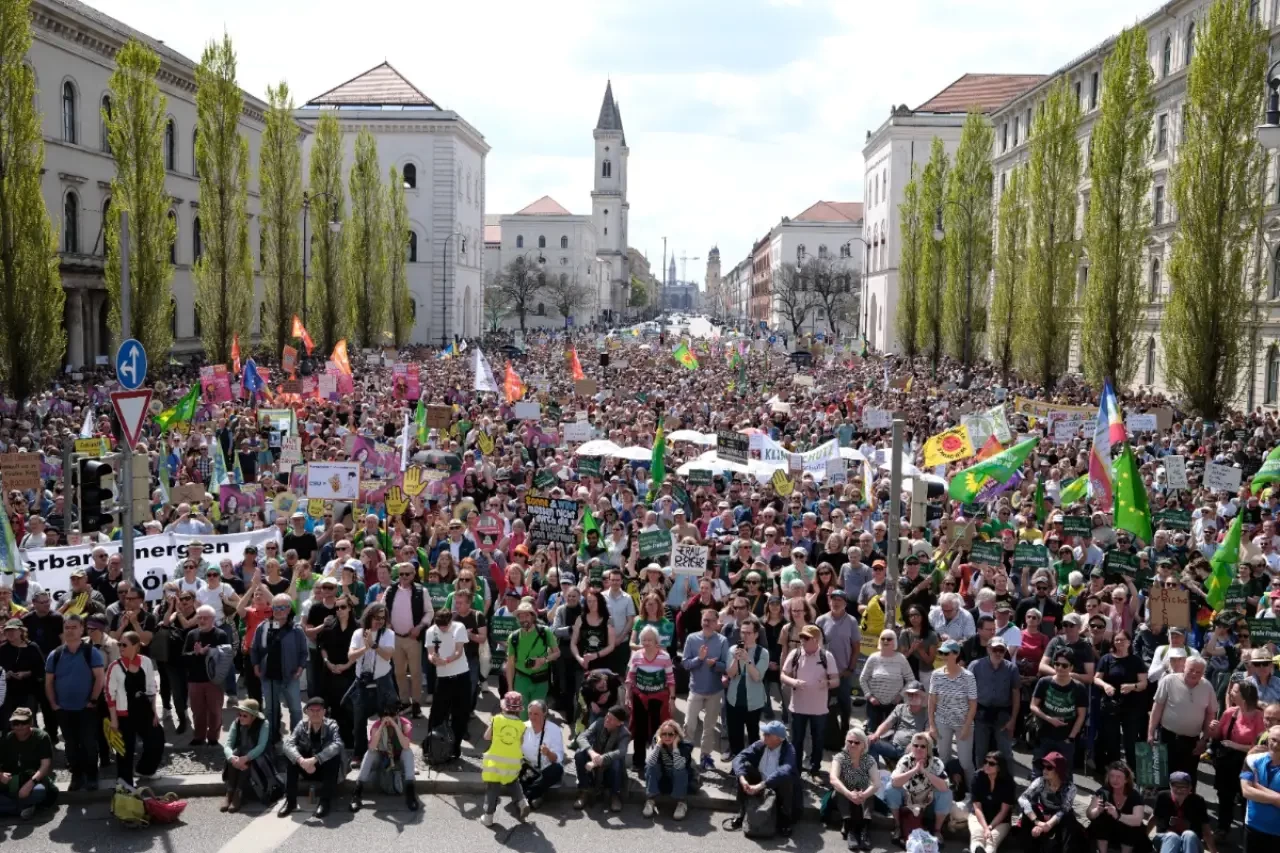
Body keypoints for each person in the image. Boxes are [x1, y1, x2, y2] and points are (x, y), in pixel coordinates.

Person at [43, 613, 105, 791]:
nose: (70, 631)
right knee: (70, 745)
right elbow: (48, 682)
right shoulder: (55, 655)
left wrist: (93, 700)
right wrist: (54, 704)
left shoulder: (90, 651)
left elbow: (99, 678)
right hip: (63, 709)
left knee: (89, 744)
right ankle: (77, 776)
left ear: (81, 629)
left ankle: (92, 776)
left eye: (74, 627)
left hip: (86, 708)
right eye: (67, 627)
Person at [104, 631, 164, 788]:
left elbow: (151, 689)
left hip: (144, 710)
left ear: (136, 646)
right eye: (119, 644)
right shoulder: (114, 667)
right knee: (125, 750)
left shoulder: (146, 662)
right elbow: (109, 694)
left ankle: (145, 769)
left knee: (156, 739)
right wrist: (114, 719)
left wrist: (154, 713)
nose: (121, 647)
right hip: (124, 714)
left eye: (124, 644)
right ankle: (124, 782)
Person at [782, 623, 838, 776]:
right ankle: (796, 770)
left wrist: (826, 683)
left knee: (818, 741)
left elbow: (836, 680)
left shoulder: (827, 656)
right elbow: (783, 674)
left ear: (816, 639)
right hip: (798, 707)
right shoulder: (795, 654)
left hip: (819, 709)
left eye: (806, 638)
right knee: (796, 741)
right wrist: (793, 682)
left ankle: (815, 769)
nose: (802, 640)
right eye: (801, 637)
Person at [729, 719, 801, 838]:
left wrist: (762, 785)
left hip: (775, 786)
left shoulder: (789, 749)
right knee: (745, 767)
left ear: (778, 738)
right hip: (759, 782)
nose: (764, 736)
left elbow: (785, 770)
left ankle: (785, 819)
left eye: (768, 734)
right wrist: (742, 778)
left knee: (786, 779)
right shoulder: (760, 744)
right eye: (764, 733)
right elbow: (739, 758)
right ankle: (742, 811)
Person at [1149, 656, 1218, 780]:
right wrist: (1150, 733)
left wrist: (1204, 740)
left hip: (1192, 741)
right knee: (1164, 776)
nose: (1194, 674)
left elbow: (1210, 714)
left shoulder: (1207, 687)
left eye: (1199, 672)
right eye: (1191, 669)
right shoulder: (1169, 680)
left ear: (1203, 673)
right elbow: (1157, 708)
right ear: (1184, 667)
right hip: (1167, 736)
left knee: (1188, 778)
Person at [252, 593, 308, 745]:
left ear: (289, 609)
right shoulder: (263, 627)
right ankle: (271, 740)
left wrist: (301, 668)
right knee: (270, 710)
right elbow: (255, 649)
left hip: (290, 677)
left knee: (296, 710)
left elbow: (304, 652)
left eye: (283, 607)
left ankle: (296, 740)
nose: (279, 610)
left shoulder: (296, 630)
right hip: (268, 677)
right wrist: (256, 665)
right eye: (276, 607)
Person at [346, 602, 398, 762]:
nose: (379, 621)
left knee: (387, 720)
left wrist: (374, 645)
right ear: (368, 617)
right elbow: (351, 656)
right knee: (359, 722)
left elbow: (388, 655)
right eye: (376, 617)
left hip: (382, 682)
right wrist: (366, 647)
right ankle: (358, 754)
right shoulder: (358, 633)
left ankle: (389, 754)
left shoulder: (389, 634)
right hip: (362, 682)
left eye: (382, 618)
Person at [278, 697, 344, 819]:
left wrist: (315, 759)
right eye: (311, 710)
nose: (315, 713)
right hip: (306, 767)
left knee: (333, 756)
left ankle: (325, 802)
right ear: (307, 712)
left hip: (323, 769)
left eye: (318, 710)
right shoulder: (301, 725)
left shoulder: (331, 725)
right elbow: (288, 744)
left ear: (324, 712)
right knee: (291, 754)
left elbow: (338, 744)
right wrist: (301, 761)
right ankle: (291, 801)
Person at [1214, 680, 1265, 837]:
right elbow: (1219, 737)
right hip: (1227, 762)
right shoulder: (1230, 713)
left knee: (1245, 797)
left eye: (1234, 691)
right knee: (1225, 795)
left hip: (1248, 761)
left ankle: (1247, 830)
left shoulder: (1259, 717)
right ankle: (1223, 827)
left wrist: (1236, 746)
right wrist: (1214, 729)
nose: (1230, 694)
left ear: (1244, 697)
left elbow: (1262, 747)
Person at [881, 731, 952, 842]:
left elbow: (944, 787)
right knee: (890, 788)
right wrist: (914, 770)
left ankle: (937, 831)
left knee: (946, 793)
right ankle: (898, 826)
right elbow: (895, 782)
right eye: (915, 745)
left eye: (923, 746)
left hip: (928, 802)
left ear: (928, 748)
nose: (918, 748)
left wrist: (925, 772)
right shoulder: (905, 760)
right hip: (908, 800)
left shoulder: (936, 762)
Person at [384, 562, 433, 718]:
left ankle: (416, 704)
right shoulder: (390, 590)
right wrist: (387, 624)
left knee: (416, 672)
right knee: (398, 672)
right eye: (401, 574)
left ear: (413, 574)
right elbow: (381, 608)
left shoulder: (421, 591)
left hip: (413, 638)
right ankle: (405, 702)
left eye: (407, 574)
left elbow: (429, 612)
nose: (404, 577)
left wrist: (419, 627)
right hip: (395, 637)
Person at [1094, 629, 1149, 771]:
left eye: (1122, 640)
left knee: (1130, 741)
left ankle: (1132, 772)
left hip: (1131, 706)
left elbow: (1143, 683)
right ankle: (1115, 772)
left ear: (1129, 642)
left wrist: (1132, 686)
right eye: (1117, 640)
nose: (1119, 643)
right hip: (1110, 706)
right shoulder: (1106, 659)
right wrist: (1105, 686)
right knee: (1112, 741)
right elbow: (1096, 678)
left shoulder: (1136, 661)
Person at [350, 699, 417, 813]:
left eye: (392, 715)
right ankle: (357, 793)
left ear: (397, 714)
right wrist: (381, 727)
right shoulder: (376, 725)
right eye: (385, 715)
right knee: (370, 753)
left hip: (398, 757)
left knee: (408, 752)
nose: (388, 718)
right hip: (383, 758)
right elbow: (372, 747)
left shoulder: (405, 724)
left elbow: (405, 745)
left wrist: (395, 726)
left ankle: (410, 794)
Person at [681, 607, 728, 770]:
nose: (707, 623)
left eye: (711, 621)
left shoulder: (722, 641)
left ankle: (706, 756)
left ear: (717, 623)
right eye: (705, 620)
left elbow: (726, 666)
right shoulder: (691, 639)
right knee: (689, 724)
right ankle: (686, 753)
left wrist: (715, 664)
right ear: (701, 621)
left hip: (714, 690)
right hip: (695, 689)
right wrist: (698, 659)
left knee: (709, 727)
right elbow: (685, 664)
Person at [627, 624, 676, 774]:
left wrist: (672, 699)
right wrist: (628, 696)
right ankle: (638, 762)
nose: (647, 642)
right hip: (639, 696)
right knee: (639, 730)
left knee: (657, 730)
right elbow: (630, 677)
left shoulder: (664, 657)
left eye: (650, 640)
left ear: (656, 641)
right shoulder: (636, 655)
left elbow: (670, 679)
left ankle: (656, 761)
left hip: (658, 697)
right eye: (644, 640)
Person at [1030, 647, 1086, 777]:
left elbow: (1081, 715)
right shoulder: (1044, 682)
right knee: (1038, 773)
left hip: (1065, 739)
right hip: (1043, 735)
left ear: (1071, 668)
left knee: (1064, 775)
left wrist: (1071, 737)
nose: (1060, 668)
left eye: (1064, 665)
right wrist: (1049, 718)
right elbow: (1033, 706)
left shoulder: (1078, 688)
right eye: (1057, 664)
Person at [424, 608, 470, 757]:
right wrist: (434, 660)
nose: (443, 628)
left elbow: (458, 651)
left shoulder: (459, 627)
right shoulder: (431, 631)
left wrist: (446, 660)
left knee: (460, 714)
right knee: (437, 713)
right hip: (443, 678)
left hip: (461, 675)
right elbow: (430, 652)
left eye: (445, 625)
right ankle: (431, 745)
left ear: (450, 621)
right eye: (440, 625)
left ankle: (455, 747)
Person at [928, 638, 978, 777]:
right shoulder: (936, 674)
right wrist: (932, 725)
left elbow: (973, 704)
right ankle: (946, 790)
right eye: (941, 653)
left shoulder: (968, 676)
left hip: (963, 723)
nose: (943, 656)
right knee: (943, 759)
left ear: (956, 654)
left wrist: (967, 727)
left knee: (965, 762)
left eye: (946, 653)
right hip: (942, 722)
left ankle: (971, 793)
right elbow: (931, 701)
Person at [968, 636, 1019, 768]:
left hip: (1002, 715)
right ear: (988, 649)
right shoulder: (975, 666)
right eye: (995, 649)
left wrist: (1013, 720)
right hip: (981, 714)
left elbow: (1015, 694)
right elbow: (967, 691)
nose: (998, 653)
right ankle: (980, 781)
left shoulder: (1011, 668)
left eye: (1001, 650)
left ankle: (1007, 783)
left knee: (1005, 752)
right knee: (980, 752)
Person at [1016, 751, 1081, 853]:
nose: (1044, 770)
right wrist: (1037, 822)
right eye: (1043, 767)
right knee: (1029, 808)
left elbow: (1064, 810)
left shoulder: (1070, 787)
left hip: (1059, 819)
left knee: (1069, 817)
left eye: (1049, 768)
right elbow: (1022, 798)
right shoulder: (1040, 781)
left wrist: (1048, 825)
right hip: (1043, 815)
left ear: (1058, 771)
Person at [221, 699, 280, 812]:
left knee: (249, 759)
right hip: (241, 753)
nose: (241, 717)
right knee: (234, 753)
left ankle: (238, 792)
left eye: (245, 715)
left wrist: (246, 758)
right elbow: (228, 744)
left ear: (253, 716)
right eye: (240, 714)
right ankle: (230, 791)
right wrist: (232, 758)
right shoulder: (236, 722)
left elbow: (261, 746)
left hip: (259, 755)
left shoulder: (264, 724)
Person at [817, 589, 861, 736]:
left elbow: (856, 647)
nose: (835, 603)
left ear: (845, 603)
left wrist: (851, 668)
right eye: (833, 599)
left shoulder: (852, 621)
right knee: (824, 703)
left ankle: (845, 729)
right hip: (824, 672)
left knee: (844, 703)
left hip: (843, 671)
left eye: (839, 600)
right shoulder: (821, 620)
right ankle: (826, 732)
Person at [0, 707, 56, 819]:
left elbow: (45, 765)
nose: (19, 726)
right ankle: (22, 808)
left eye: (23, 722)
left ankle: (10, 807)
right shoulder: (7, 738)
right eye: (16, 723)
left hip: (34, 779)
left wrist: (30, 784)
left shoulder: (42, 737)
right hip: (12, 780)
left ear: (31, 722)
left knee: (39, 791)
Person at [726, 616, 769, 758]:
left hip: (754, 701)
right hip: (734, 699)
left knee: (753, 734)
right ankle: (737, 763)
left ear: (756, 635)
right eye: (743, 632)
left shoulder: (762, 653)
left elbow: (757, 677)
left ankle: (753, 762)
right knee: (735, 734)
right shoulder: (733, 649)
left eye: (748, 633)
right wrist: (736, 660)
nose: (745, 635)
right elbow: (731, 674)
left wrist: (747, 660)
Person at [829, 726, 878, 851]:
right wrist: (849, 794)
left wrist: (864, 795)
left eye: (856, 742)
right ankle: (850, 828)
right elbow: (833, 779)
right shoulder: (840, 757)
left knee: (870, 791)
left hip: (862, 794)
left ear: (863, 745)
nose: (852, 744)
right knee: (839, 789)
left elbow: (876, 783)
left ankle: (865, 830)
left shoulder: (869, 760)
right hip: (843, 794)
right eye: (849, 741)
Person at [505, 602, 558, 718]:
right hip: (521, 680)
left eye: (526, 616)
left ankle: (537, 736)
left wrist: (543, 660)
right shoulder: (513, 637)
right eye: (521, 616)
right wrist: (510, 687)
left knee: (537, 713)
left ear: (533, 617)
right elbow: (510, 664)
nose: (524, 619)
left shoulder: (545, 632)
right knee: (523, 714)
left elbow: (557, 653)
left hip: (541, 680)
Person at [1087, 761, 1148, 853]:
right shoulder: (1103, 792)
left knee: (1132, 825)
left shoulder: (1134, 795)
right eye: (1112, 776)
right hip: (1108, 832)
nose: (1114, 780)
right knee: (1100, 820)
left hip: (1126, 833)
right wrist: (1097, 811)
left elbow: (1138, 820)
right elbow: (1089, 814)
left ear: (1126, 779)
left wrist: (1118, 815)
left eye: (1119, 777)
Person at [861, 629, 913, 731]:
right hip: (874, 704)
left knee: (892, 733)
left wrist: (900, 695)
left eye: (889, 639)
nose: (885, 641)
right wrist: (869, 696)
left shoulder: (901, 658)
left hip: (894, 704)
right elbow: (863, 679)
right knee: (873, 733)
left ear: (894, 641)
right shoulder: (873, 658)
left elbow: (911, 680)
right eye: (883, 638)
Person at [869, 680, 929, 765]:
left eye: (916, 694)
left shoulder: (927, 713)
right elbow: (887, 724)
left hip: (914, 750)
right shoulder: (900, 708)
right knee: (869, 743)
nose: (913, 697)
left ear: (922, 696)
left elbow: (927, 734)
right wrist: (876, 734)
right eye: (910, 694)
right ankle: (875, 773)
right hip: (894, 746)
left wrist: (915, 744)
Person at [643, 718, 693, 821]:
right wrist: (658, 745)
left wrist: (675, 747)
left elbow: (679, 766)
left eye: (670, 734)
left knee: (679, 769)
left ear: (676, 735)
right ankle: (650, 800)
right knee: (651, 766)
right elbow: (649, 762)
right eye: (664, 734)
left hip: (679, 781)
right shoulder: (657, 743)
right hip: (662, 779)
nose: (667, 737)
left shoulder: (685, 746)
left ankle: (681, 803)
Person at [518, 699, 564, 807]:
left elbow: (558, 758)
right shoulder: (522, 727)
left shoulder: (554, 730)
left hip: (546, 768)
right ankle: (535, 796)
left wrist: (548, 753)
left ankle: (525, 796)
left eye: (536, 714)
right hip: (529, 769)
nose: (532, 717)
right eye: (530, 713)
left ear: (544, 714)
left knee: (557, 770)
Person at [968, 751, 1015, 853]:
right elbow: (977, 807)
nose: (987, 765)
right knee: (977, 836)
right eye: (985, 762)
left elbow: (1004, 811)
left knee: (991, 840)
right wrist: (985, 827)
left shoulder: (1008, 782)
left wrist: (990, 827)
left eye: (992, 763)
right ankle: (976, 850)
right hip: (978, 817)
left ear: (999, 767)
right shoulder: (977, 777)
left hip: (1000, 821)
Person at [1158, 770, 1215, 853]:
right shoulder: (1162, 797)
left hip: (1191, 842)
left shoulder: (1198, 800)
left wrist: (1214, 851)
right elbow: (1154, 817)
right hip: (1166, 839)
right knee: (1172, 836)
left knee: (1189, 834)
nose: (1179, 790)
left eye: (1183, 787)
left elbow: (1205, 829)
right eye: (1176, 786)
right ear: (1170, 786)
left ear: (1190, 788)